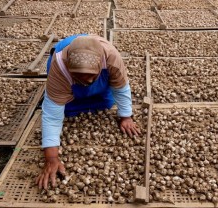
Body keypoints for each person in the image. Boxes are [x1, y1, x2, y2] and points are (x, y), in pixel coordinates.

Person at [36, 34, 141, 189]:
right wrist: (51, 158)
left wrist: (126, 116)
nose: (88, 81)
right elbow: (52, 116)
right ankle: (75, 87)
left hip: (102, 63)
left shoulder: (112, 58)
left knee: (105, 103)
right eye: (80, 76)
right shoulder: (59, 67)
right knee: (67, 109)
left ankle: (90, 83)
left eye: (92, 76)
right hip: (64, 70)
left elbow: (121, 88)